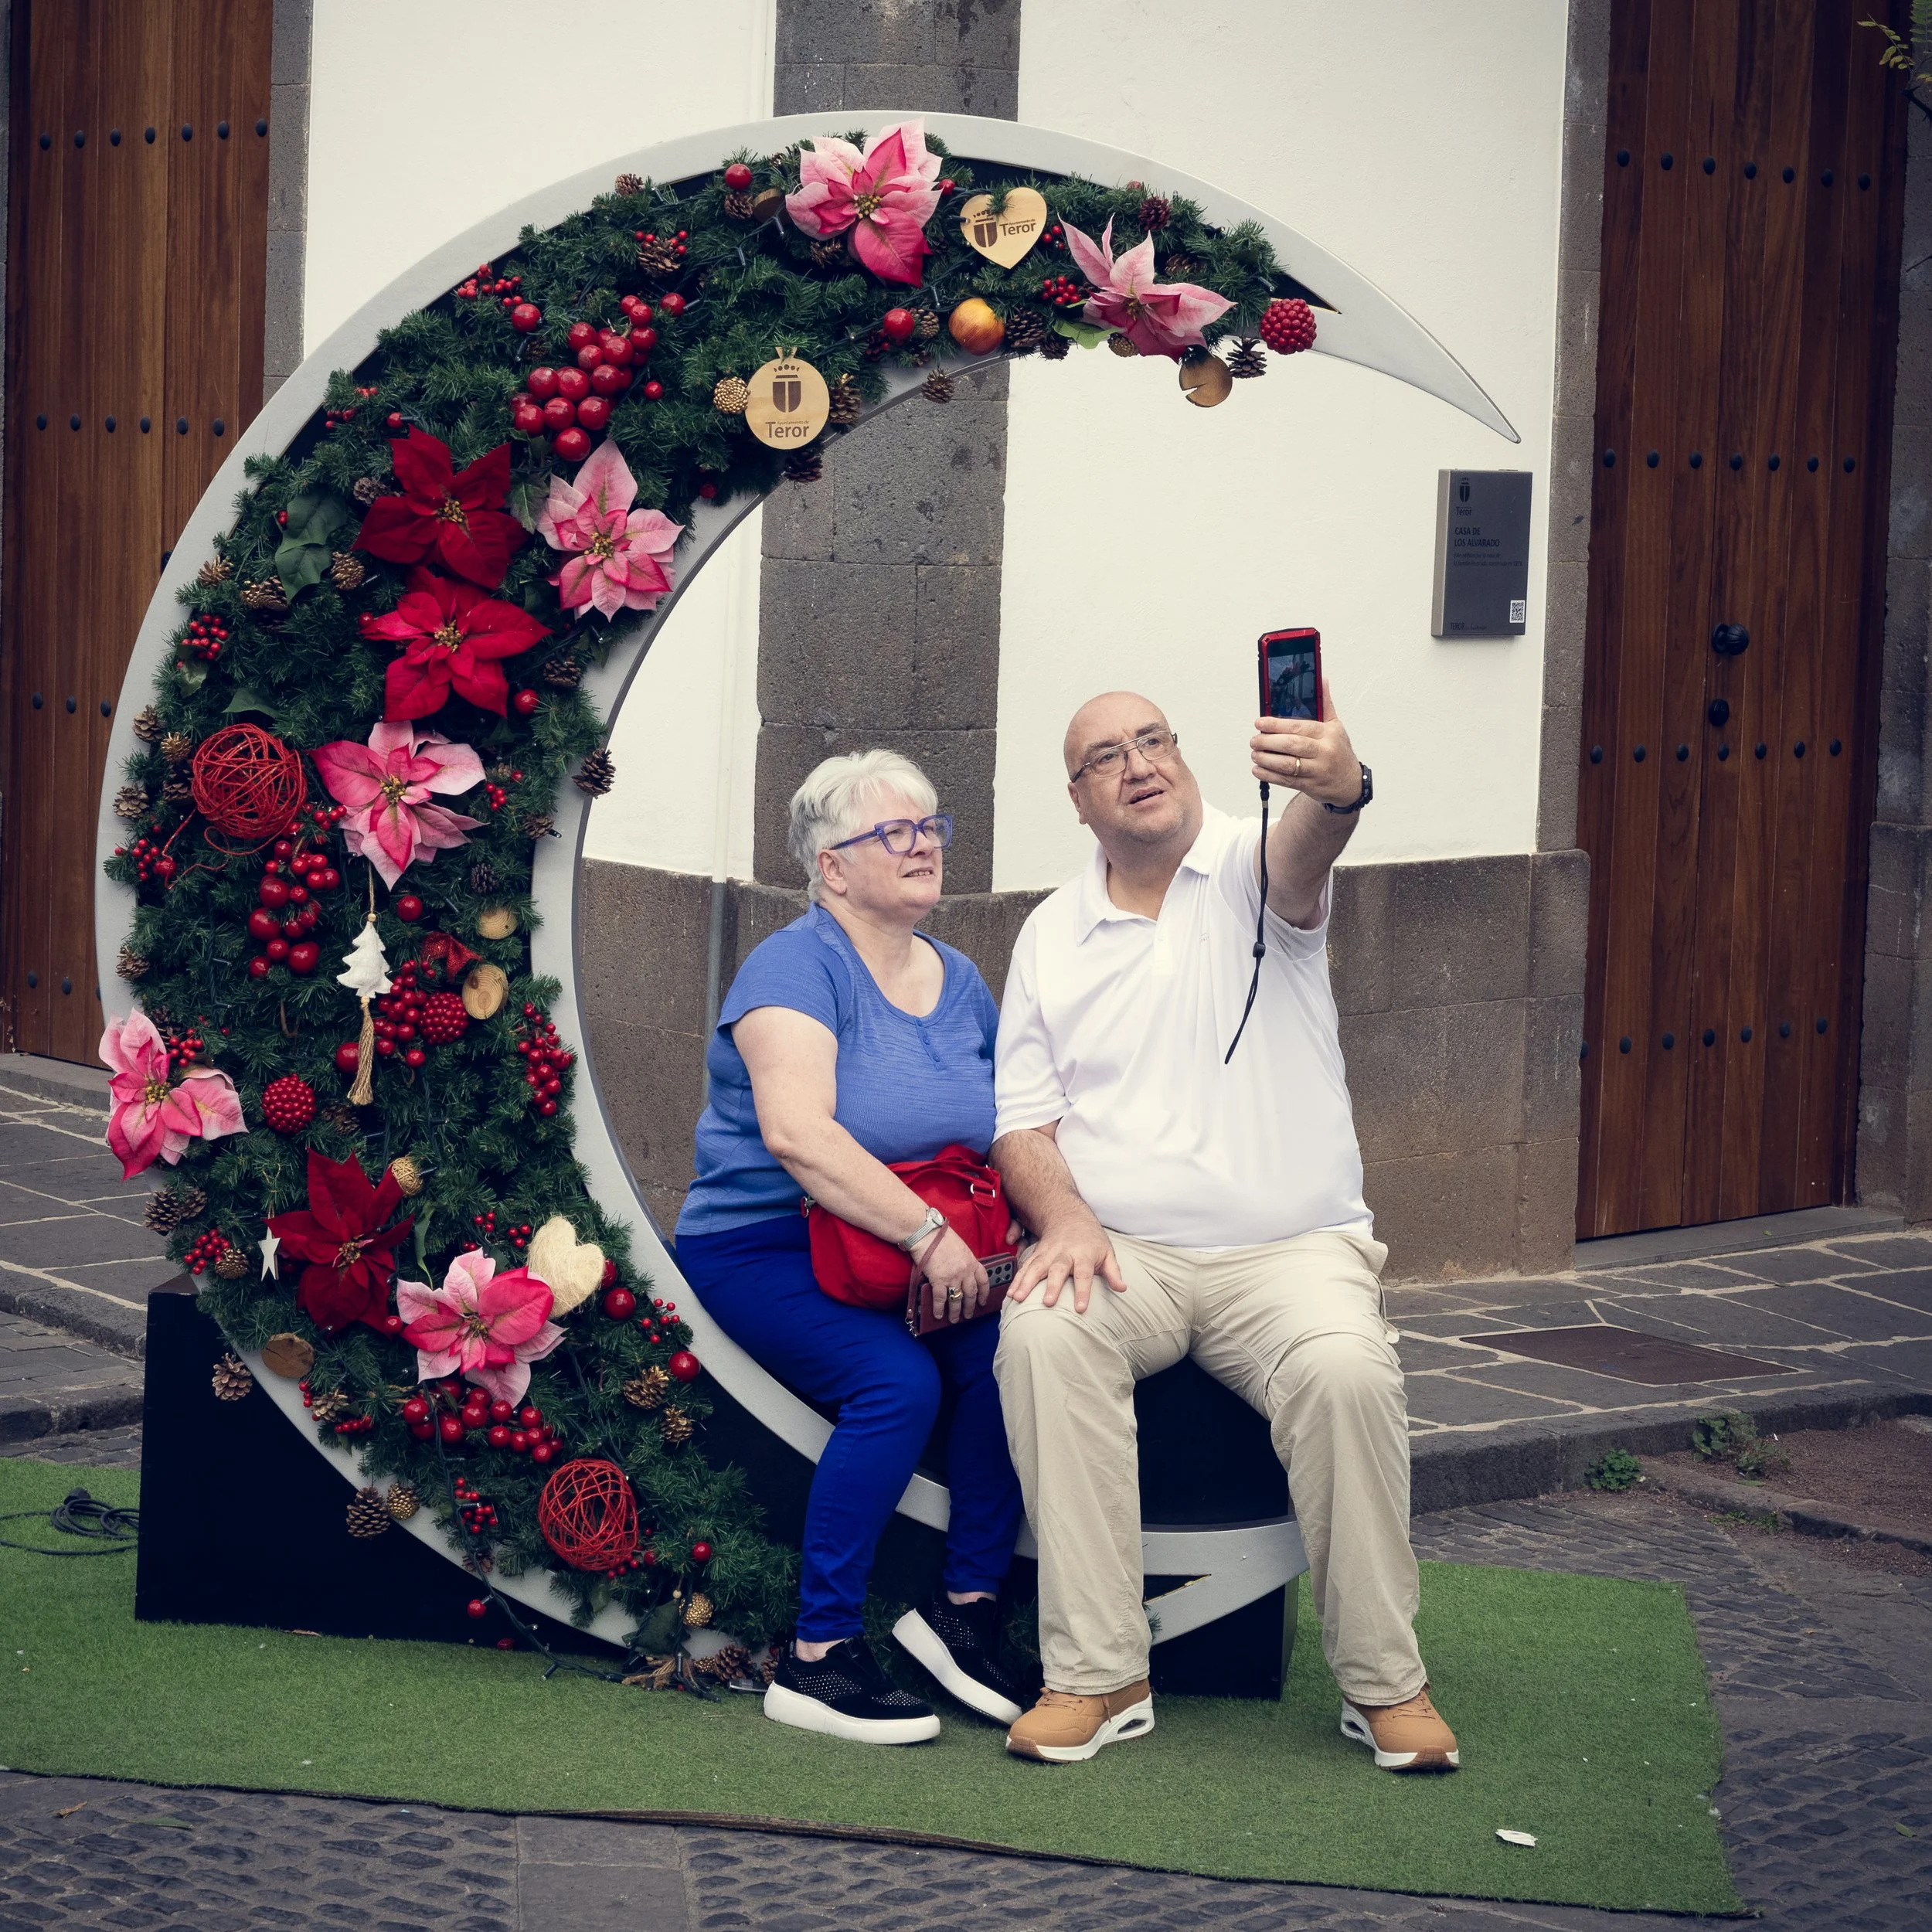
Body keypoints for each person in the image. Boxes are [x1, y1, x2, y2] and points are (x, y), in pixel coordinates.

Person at [989, 687, 1459, 1772]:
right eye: (1107, 755)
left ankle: (1386, 1685)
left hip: (1290, 1254)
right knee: (1043, 1334)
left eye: (1153, 741)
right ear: (1078, 799)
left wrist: (1339, 781)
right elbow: (1022, 1121)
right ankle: (1098, 1674)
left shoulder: (1256, 867)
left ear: (1184, 759)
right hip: (1127, 1253)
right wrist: (1060, 1215)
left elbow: (1317, 839)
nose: (1139, 764)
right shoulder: (1051, 933)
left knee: (1347, 1371)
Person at [675, 750, 1026, 1746]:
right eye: (893, 833)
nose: (923, 847)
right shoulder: (793, 967)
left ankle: (965, 1613)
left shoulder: (959, 978)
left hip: (911, 1255)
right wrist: (927, 1232)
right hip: (767, 1244)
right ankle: (818, 1657)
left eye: (931, 828)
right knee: (898, 1387)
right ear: (831, 866)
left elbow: (1007, 1124)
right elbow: (799, 1136)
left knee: (1015, 1357)